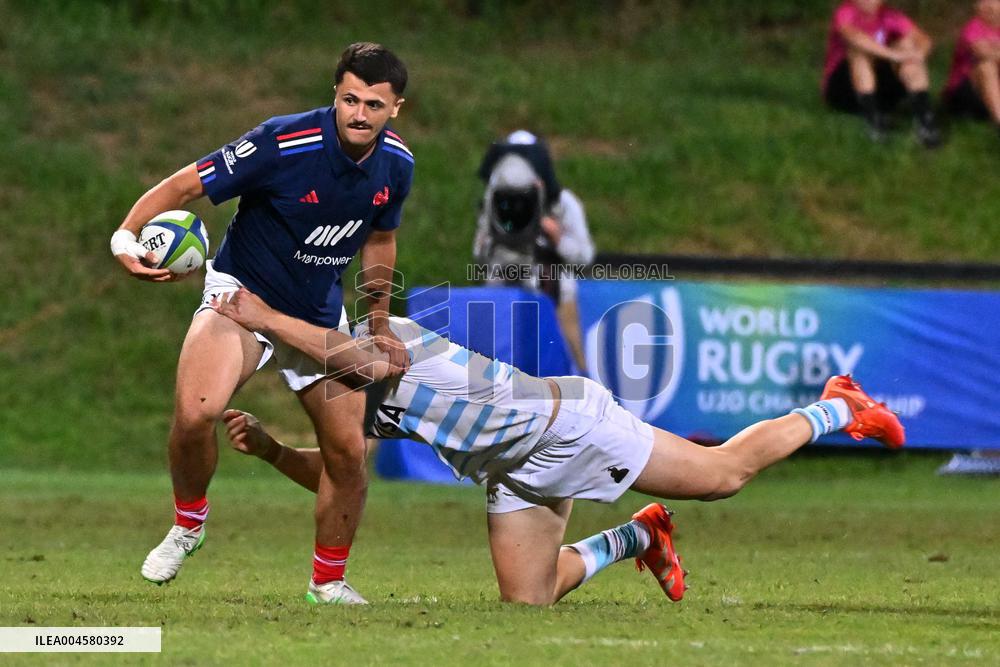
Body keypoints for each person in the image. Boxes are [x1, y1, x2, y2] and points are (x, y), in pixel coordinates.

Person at [211, 287, 906, 606]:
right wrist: (273, 450)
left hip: (566, 428)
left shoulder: (378, 336)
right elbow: (343, 477)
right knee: (528, 598)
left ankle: (835, 405)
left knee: (723, 474)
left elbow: (360, 360)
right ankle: (640, 536)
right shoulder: (337, 391)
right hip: (513, 471)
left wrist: (263, 314)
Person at [109, 42, 414, 604]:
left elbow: (380, 237)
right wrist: (125, 237)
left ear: (396, 108)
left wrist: (377, 319)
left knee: (348, 454)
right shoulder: (283, 140)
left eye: (373, 104)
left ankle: (328, 583)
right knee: (196, 411)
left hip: (318, 313)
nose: (358, 114)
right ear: (335, 95)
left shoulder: (398, 164)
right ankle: (188, 523)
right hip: (240, 298)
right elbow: (186, 185)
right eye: (349, 99)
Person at [473, 130, 595, 372]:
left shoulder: (563, 204)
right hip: (503, 294)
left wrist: (557, 238)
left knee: (567, 367)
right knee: (495, 367)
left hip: (554, 296)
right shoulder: (495, 202)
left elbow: (584, 256)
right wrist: (495, 237)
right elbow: (478, 255)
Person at [822, 0, 943, 146]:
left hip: (880, 86)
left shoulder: (890, 16)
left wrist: (919, 54)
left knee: (907, 45)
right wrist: (892, 55)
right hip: (844, 88)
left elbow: (923, 39)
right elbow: (852, 36)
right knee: (860, 51)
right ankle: (873, 120)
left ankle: (925, 121)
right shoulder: (846, 12)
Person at [943, 0, 1000, 134]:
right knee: (986, 66)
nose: (988, 6)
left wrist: (995, 48)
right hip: (965, 93)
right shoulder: (973, 27)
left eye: (993, 2)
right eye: (983, 2)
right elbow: (982, 52)